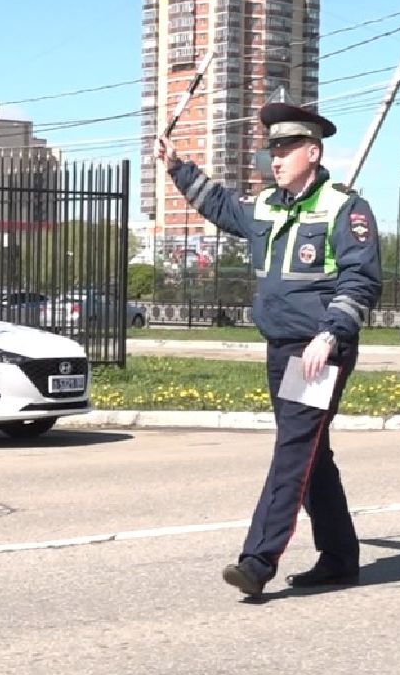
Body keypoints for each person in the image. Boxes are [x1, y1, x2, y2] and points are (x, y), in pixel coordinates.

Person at [154, 102, 382, 597]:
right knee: (311, 454)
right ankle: (340, 558)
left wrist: (329, 336)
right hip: (280, 348)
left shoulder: (345, 208)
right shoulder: (268, 206)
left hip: (318, 349)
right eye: (272, 149)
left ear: (314, 152)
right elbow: (219, 205)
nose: (274, 159)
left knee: (292, 451)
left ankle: (258, 560)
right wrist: (177, 165)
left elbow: (360, 280)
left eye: (285, 149)